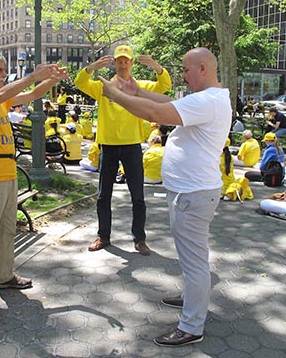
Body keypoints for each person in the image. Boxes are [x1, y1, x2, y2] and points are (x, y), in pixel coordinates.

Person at [98, 47, 231, 347]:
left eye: (185, 70)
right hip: (192, 192)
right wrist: (138, 92)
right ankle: (191, 298)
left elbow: (157, 113)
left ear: (203, 69)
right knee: (193, 256)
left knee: (195, 262)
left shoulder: (208, 100)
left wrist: (116, 95)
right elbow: (169, 102)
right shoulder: (208, 98)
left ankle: (191, 326)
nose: (182, 75)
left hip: (193, 194)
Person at [0, 50, 67, 317]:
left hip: (8, 173)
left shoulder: (1, 102)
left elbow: (32, 96)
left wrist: (52, 79)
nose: (3, 74)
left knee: (7, 231)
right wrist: (33, 75)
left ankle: (3, 276)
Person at [74, 44, 172, 256]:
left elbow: (165, 84)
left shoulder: (140, 86)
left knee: (138, 195)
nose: (123, 63)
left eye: (126, 60)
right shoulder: (103, 86)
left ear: (131, 63)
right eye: (119, 60)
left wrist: (156, 66)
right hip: (108, 145)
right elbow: (79, 82)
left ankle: (140, 239)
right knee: (103, 195)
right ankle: (103, 236)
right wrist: (92, 67)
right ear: (115, 63)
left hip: (132, 145)